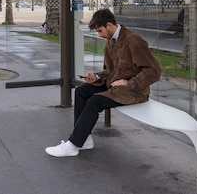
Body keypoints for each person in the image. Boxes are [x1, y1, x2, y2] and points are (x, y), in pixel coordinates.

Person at [45, 8, 162, 157]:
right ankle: (84, 139)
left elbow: (154, 71)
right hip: (114, 88)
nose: (99, 35)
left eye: (100, 31)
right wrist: (97, 76)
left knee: (94, 102)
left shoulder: (134, 41)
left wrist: (128, 83)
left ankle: (73, 144)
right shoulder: (110, 43)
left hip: (133, 92)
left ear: (109, 25)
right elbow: (110, 71)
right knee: (81, 92)